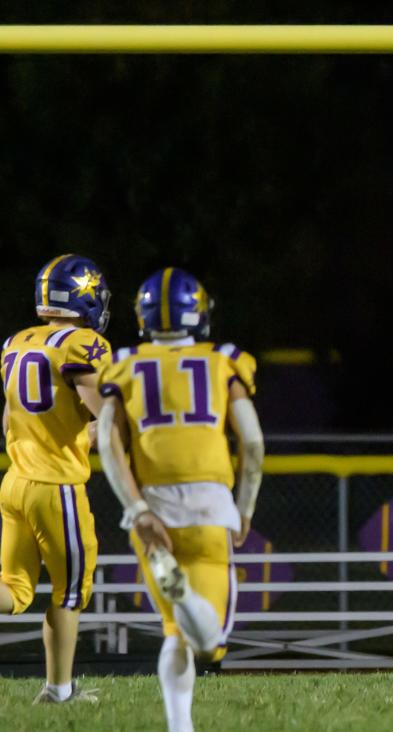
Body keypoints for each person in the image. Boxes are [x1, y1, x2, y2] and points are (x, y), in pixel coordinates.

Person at [97, 267, 264, 732]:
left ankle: (179, 727)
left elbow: (109, 443)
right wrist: (246, 506)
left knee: (176, 631)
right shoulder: (223, 360)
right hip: (210, 504)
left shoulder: (124, 363)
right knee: (208, 641)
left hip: (151, 506)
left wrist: (136, 510)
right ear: (201, 315)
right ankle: (184, 591)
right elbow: (251, 444)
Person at [0, 254, 112, 703]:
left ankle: (59, 688)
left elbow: (9, 422)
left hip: (14, 482)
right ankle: (59, 691)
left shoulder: (15, 342)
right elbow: (109, 419)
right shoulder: (81, 343)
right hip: (56, 486)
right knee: (69, 594)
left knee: (13, 588)